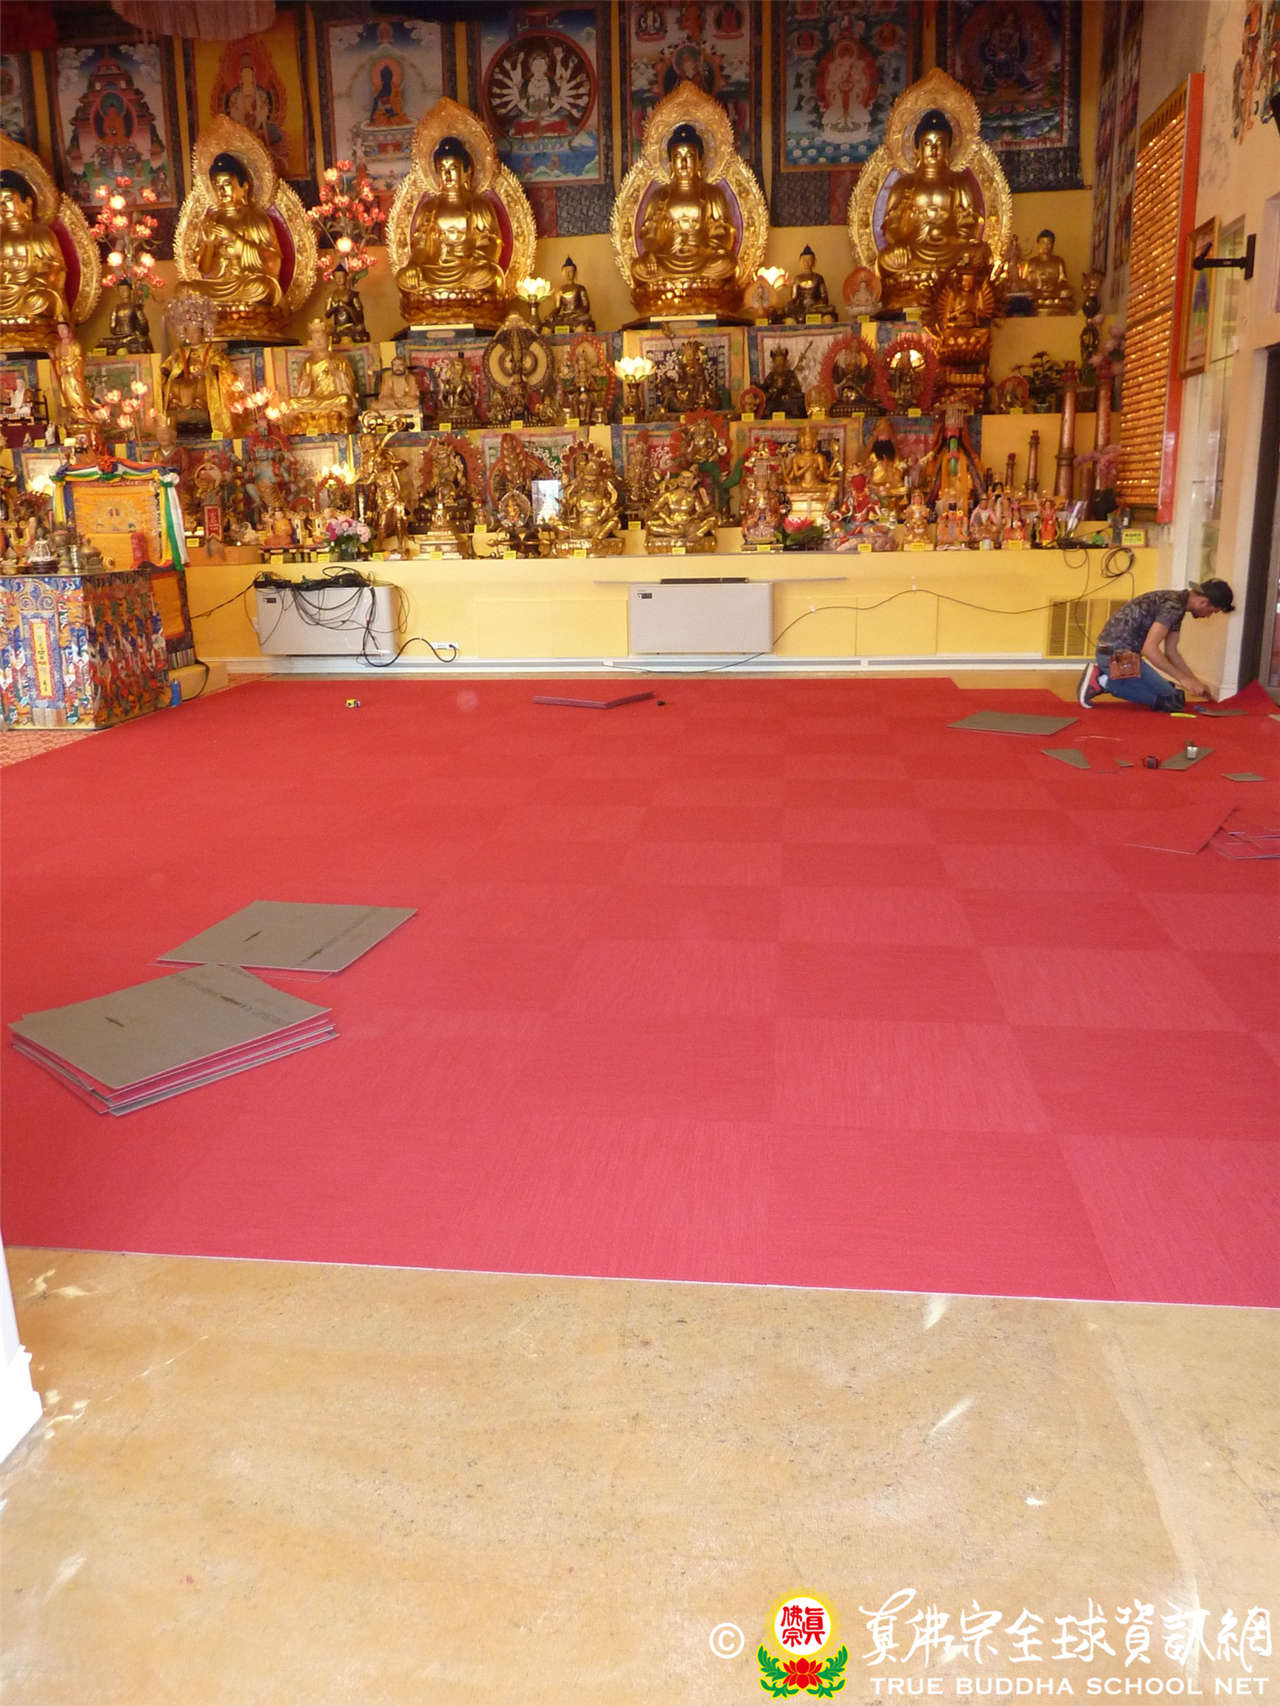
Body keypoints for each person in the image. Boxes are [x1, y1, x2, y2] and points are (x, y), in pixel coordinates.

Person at [877, 110, 992, 313]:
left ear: (948, 150)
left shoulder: (959, 182)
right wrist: (900, 244)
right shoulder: (904, 184)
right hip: (915, 251)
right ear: (917, 150)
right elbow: (892, 223)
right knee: (886, 260)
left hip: (951, 251)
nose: (934, 149)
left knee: (979, 254)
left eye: (940, 143)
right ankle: (923, 292)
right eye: (928, 143)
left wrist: (955, 239)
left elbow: (968, 221)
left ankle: (927, 292)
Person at [1078, 581, 1235, 711]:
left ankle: (1112, 676)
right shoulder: (1173, 606)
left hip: (1118, 654)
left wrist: (1193, 681)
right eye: (1212, 611)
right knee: (1172, 701)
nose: (1208, 616)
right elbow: (1150, 650)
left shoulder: (1177, 605)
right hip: (1116, 655)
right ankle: (1102, 681)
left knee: (1175, 695)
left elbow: (1171, 651)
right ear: (1203, 602)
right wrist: (1183, 679)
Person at [395, 136, 504, 305]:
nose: (447, 175)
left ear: (467, 172)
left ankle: (442, 297)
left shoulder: (478, 205)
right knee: (403, 279)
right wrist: (413, 266)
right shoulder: (429, 207)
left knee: (491, 275)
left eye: (453, 168)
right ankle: (446, 295)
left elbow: (491, 242)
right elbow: (421, 245)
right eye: (441, 169)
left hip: (467, 270)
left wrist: (473, 259)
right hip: (434, 270)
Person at [632, 123, 736, 288]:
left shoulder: (713, 194)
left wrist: (703, 250)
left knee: (726, 263)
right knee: (639, 268)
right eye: (678, 157)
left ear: (700, 162)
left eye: (690, 156)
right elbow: (650, 233)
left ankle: (675, 285)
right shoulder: (659, 196)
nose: (684, 162)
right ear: (671, 163)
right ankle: (693, 284)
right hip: (668, 258)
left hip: (702, 259)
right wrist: (651, 253)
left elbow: (722, 232)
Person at [0, 168, 70, 341]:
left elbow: (56, 269)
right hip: (5, 292)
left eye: (8, 199)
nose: (3, 206)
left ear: (28, 203)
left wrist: (36, 282)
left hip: (29, 293)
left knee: (39, 299)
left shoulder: (40, 233)